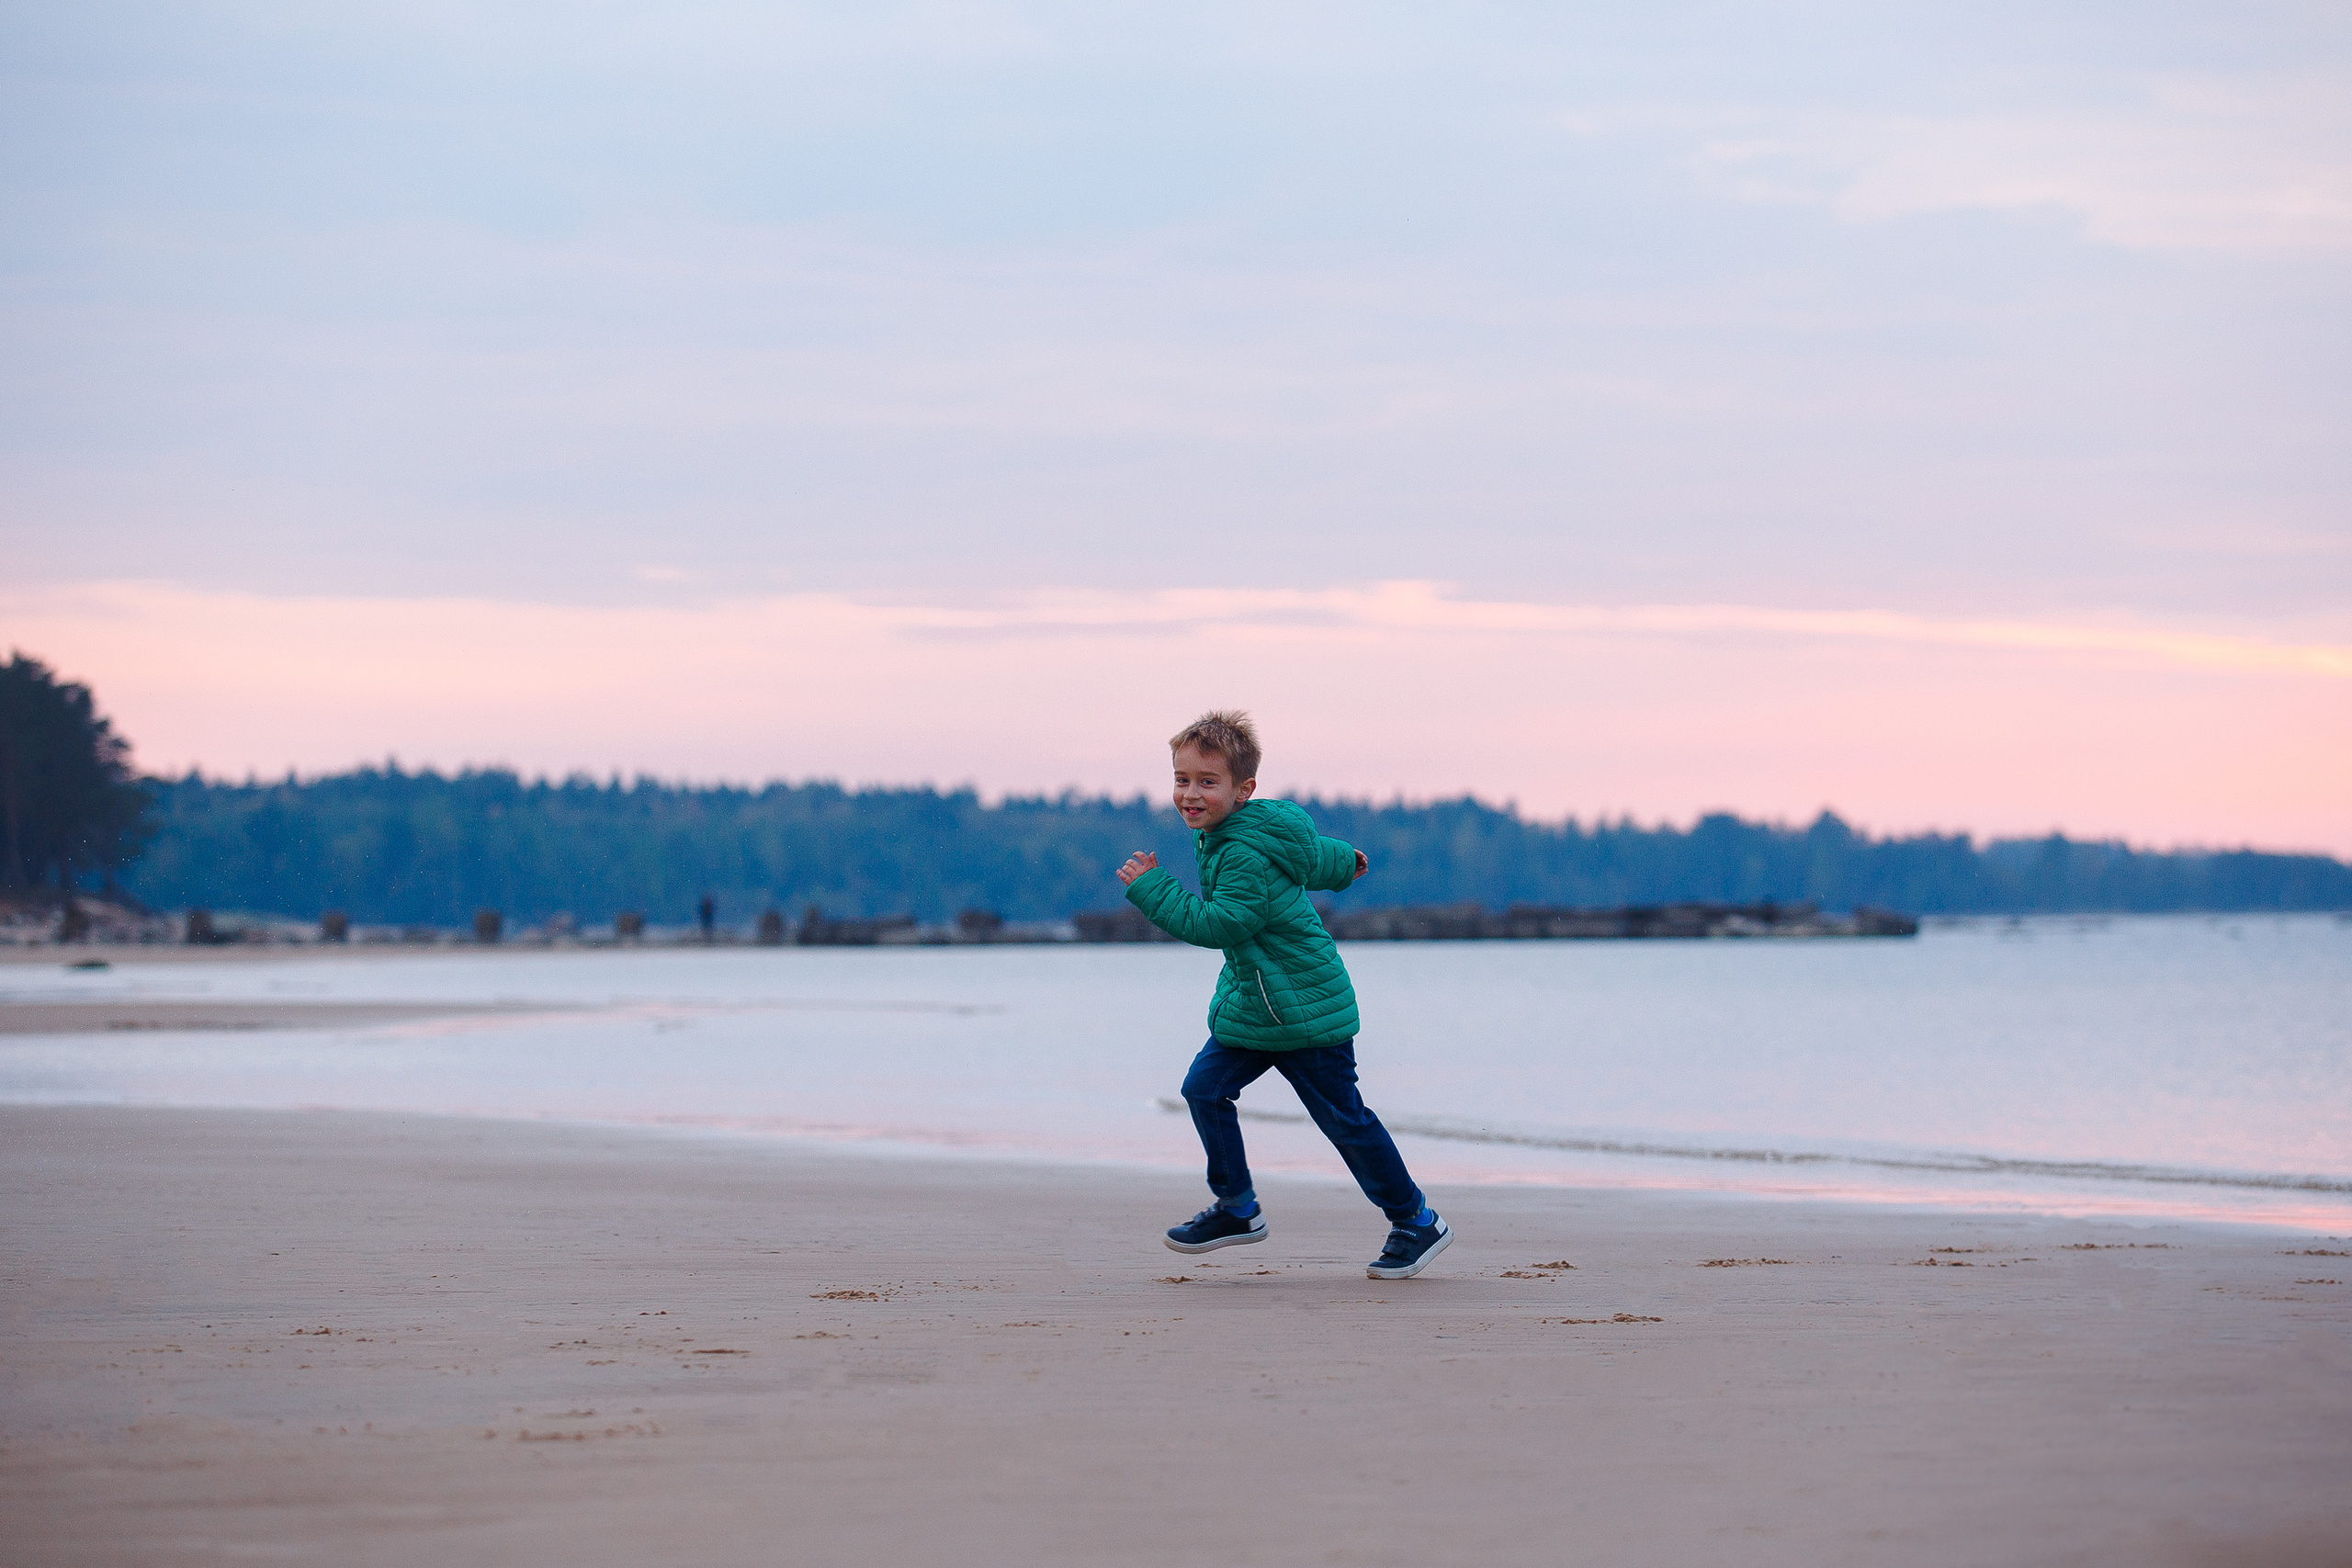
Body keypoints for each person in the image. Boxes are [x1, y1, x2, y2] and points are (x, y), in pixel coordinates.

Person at [1116, 710, 1451, 1281]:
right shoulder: (1243, 830)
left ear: (1243, 790)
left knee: (1345, 1121)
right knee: (1204, 1090)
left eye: (1206, 782)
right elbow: (1311, 854)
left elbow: (1222, 925)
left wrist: (1152, 891)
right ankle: (1238, 1208)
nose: (1189, 794)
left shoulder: (1242, 851)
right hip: (1257, 1007)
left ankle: (1417, 1220)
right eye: (1181, 779)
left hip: (1304, 1013)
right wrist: (1346, 862)